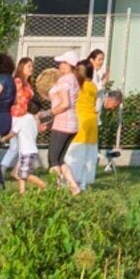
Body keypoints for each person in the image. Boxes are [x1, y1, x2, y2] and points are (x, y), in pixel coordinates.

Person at [61, 50, 105, 191]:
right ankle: (84, 184)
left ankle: (70, 182)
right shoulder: (93, 86)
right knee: (88, 156)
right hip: (92, 121)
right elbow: (98, 105)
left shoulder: (76, 85)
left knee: (74, 153)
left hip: (79, 120)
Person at [35, 53, 80, 182]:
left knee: (53, 159)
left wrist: (47, 114)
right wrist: (50, 123)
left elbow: (64, 104)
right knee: (60, 159)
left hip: (63, 124)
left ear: (69, 65)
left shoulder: (64, 80)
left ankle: (57, 189)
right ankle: (74, 187)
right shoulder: (74, 80)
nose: (59, 65)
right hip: (72, 124)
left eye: (62, 63)